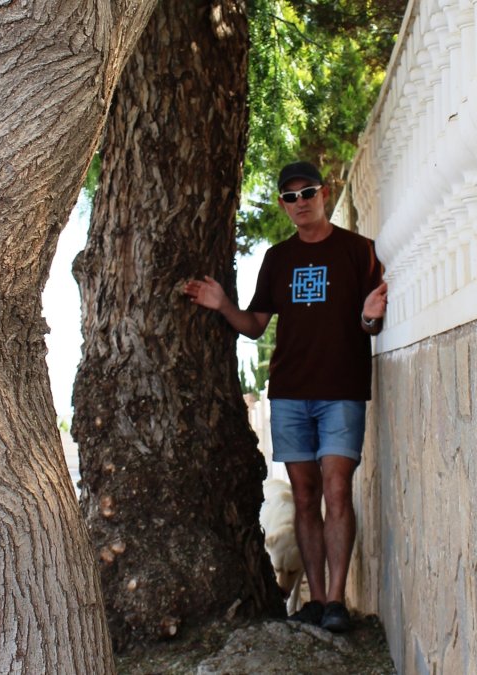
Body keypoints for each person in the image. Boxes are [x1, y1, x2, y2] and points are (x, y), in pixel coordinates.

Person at [184, 161, 387, 633]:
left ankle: (336, 600)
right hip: (291, 395)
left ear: (325, 193)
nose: (300, 202)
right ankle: (316, 599)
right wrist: (223, 307)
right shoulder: (277, 259)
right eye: (290, 197)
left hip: (341, 392)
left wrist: (371, 316)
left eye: (307, 193)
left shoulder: (360, 252)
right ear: (283, 204)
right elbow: (255, 326)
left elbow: (369, 322)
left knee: (336, 490)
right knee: (303, 496)